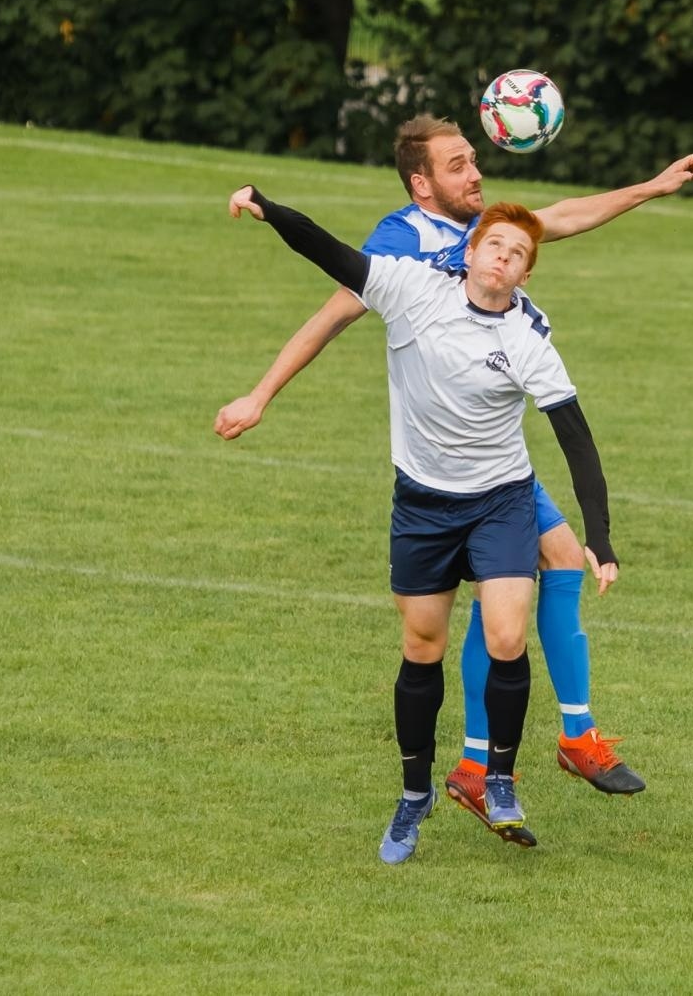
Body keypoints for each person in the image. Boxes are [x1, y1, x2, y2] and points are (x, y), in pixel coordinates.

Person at [220, 116, 693, 830]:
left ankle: (541, 747)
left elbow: (563, 216)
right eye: (459, 165)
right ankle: (497, 760)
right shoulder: (401, 244)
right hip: (443, 462)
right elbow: (330, 312)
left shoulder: (485, 230)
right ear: (422, 182)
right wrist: (260, 394)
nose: (475, 174)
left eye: (474, 159)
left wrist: (656, 185)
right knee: (510, 585)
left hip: (497, 460)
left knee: (556, 556)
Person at [218, 187, 617, 863]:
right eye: (495, 244)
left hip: (501, 501)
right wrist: (267, 207)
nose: (504, 258)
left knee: (507, 633)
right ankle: (413, 794)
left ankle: (496, 780)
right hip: (424, 505)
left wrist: (600, 538)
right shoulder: (411, 287)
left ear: (525, 273)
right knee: (423, 645)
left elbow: (577, 439)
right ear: (471, 251)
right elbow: (331, 253)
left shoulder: (528, 338)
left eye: (518, 254)